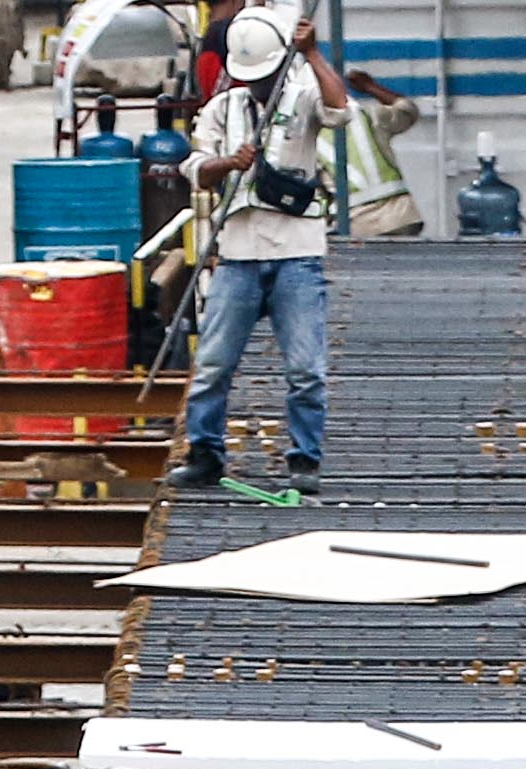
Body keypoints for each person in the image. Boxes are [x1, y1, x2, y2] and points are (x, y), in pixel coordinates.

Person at [179, 8, 351, 504]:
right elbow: (195, 168)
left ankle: (304, 461)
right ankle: (205, 455)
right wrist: (227, 162)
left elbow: (340, 111)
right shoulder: (221, 109)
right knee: (212, 364)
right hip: (237, 254)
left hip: (297, 253)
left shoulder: (301, 97)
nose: (259, 85)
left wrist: (313, 54)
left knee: (305, 369)